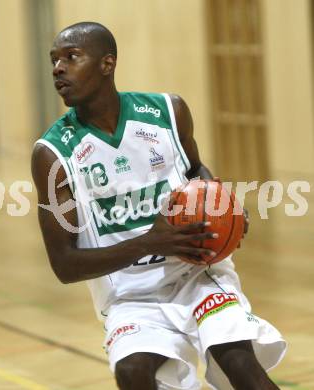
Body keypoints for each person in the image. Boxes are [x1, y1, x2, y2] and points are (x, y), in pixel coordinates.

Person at [31, 21, 286, 390]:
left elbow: (195, 170)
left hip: (196, 272)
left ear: (107, 63)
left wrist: (222, 204)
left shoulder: (168, 111)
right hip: (131, 294)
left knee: (238, 360)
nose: (58, 68)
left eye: (71, 57)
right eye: (54, 60)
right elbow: (65, 265)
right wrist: (151, 242)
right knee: (133, 374)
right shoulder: (53, 154)